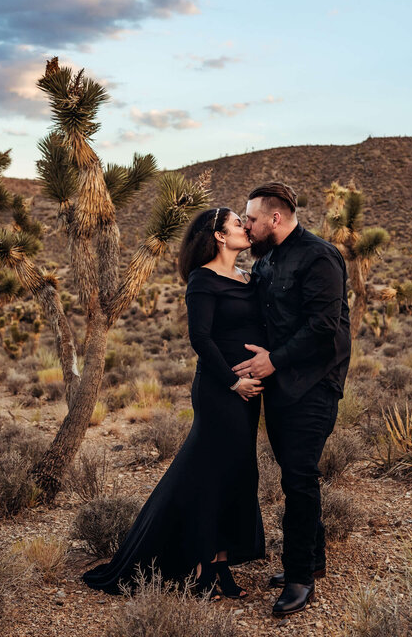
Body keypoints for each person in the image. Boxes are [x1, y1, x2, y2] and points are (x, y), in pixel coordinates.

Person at [82, 207, 266, 598]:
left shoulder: (249, 278)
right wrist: (234, 382)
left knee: (234, 474)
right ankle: (201, 568)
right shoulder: (203, 279)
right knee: (209, 476)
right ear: (218, 235)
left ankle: (219, 563)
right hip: (221, 391)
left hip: (248, 394)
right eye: (237, 223)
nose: (245, 228)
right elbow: (200, 338)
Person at [234, 181, 351, 617]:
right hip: (281, 385)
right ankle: (314, 559)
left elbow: (324, 327)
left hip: (315, 384)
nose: (247, 225)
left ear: (275, 218)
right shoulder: (268, 262)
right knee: (292, 472)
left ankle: (300, 576)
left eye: (251, 218)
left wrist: (273, 361)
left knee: (299, 477)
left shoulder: (319, 257)